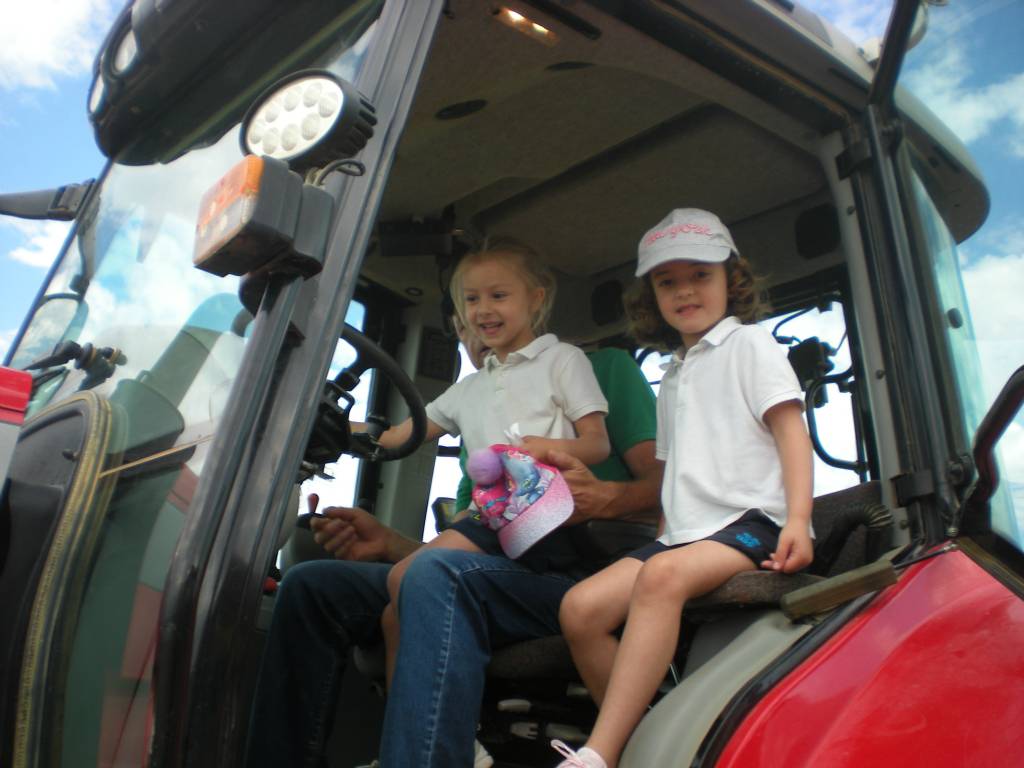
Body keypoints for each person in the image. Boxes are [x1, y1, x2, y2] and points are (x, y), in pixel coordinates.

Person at [245, 260, 661, 768]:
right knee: (314, 584)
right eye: (467, 311)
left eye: (497, 298)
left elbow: (663, 487)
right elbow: (471, 536)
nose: (480, 319)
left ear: (534, 302)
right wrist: (385, 534)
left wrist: (602, 497)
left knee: (428, 576)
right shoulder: (475, 408)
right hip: (493, 562)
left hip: (578, 568)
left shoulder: (597, 369)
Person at [551, 208, 814, 768]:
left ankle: (601, 753)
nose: (685, 290)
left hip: (754, 524)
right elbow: (673, 472)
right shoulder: (672, 374)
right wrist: (664, 533)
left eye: (700, 275)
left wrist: (797, 520)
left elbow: (791, 432)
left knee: (661, 576)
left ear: (731, 281)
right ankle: (652, 740)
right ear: (652, 298)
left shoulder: (749, 345)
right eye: (667, 282)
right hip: (685, 536)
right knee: (579, 609)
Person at [366, 240, 611, 690]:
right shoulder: (469, 388)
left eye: (498, 296)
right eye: (472, 299)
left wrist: (543, 449)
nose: (483, 310)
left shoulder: (563, 360)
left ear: (535, 299)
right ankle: (406, 720)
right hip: (490, 519)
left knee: (407, 576)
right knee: (391, 614)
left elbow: (597, 444)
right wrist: (333, 428)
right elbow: (399, 436)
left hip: (541, 513)